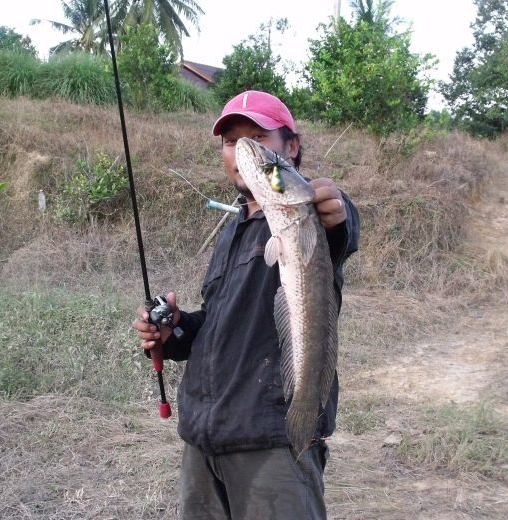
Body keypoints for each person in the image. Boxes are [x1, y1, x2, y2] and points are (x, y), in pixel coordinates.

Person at [133, 90, 360, 519]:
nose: (242, 150)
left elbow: (337, 222)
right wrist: (176, 327)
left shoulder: (303, 211)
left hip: (272, 443)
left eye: (259, 137)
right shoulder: (234, 228)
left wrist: (336, 209)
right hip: (205, 443)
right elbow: (219, 325)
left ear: (291, 147)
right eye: (231, 141)